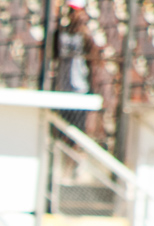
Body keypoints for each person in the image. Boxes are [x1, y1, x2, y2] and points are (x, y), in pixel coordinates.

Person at [53, 0, 102, 135]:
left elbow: (93, 63)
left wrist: (93, 88)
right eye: (72, 11)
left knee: (77, 130)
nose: (75, 15)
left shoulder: (85, 36)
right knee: (62, 128)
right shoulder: (60, 34)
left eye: (77, 11)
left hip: (80, 88)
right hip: (63, 87)